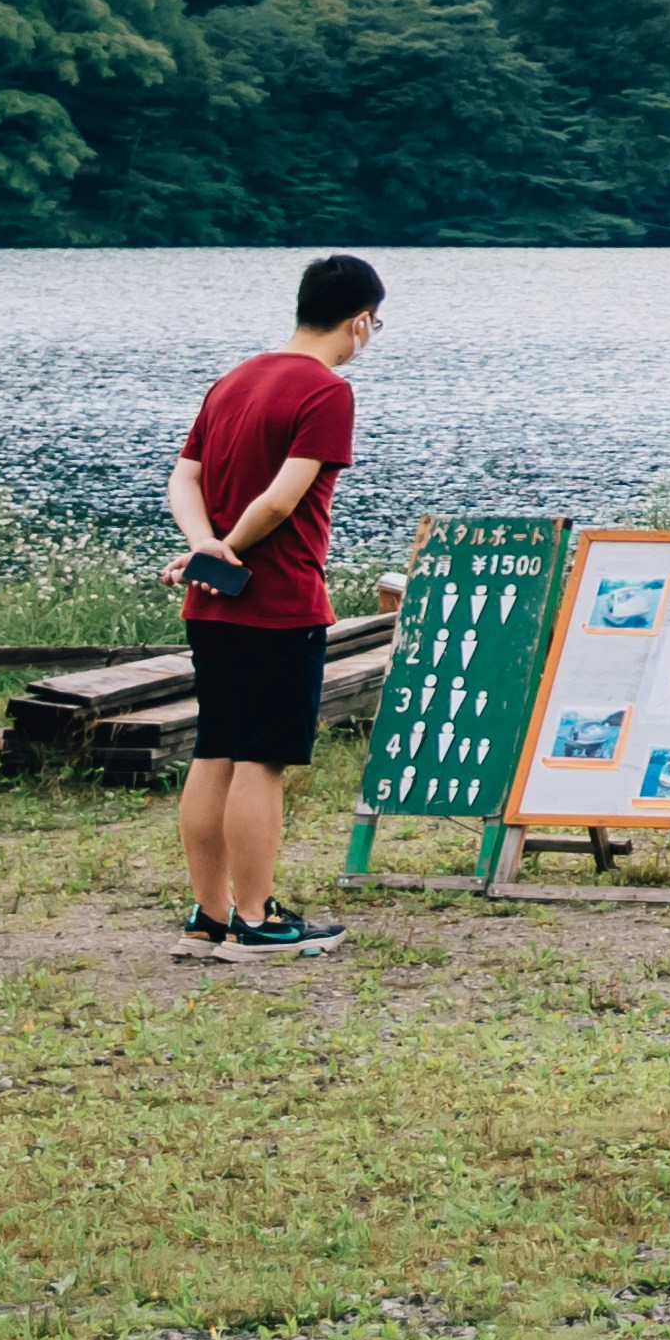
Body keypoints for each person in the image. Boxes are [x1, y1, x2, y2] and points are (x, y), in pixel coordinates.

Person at [168, 256, 381, 959]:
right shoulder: (327, 391)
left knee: (216, 747)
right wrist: (230, 546)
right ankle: (256, 920)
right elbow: (283, 499)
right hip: (280, 601)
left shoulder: (232, 380)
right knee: (262, 760)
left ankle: (210, 915)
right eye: (373, 325)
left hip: (212, 603)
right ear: (358, 320)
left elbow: (185, 476)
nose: (368, 337)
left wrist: (205, 549)